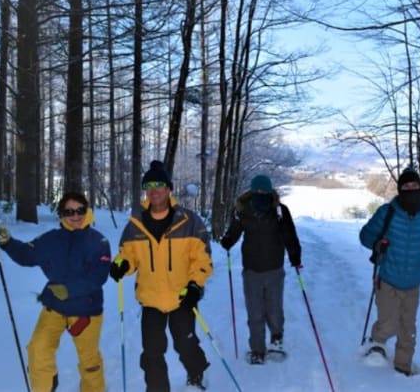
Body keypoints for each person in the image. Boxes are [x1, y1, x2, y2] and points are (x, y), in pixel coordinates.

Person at [109, 160, 213, 392]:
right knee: (152, 352)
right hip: (151, 298)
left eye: (159, 185)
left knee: (185, 343)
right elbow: (128, 256)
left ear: (168, 188)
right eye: (149, 185)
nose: (154, 190)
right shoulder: (135, 224)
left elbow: (203, 259)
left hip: (182, 296)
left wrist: (195, 285)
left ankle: (197, 373)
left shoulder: (189, 221)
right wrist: (121, 265)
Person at [0, 191, 111, 392]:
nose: (75, 216)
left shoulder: (98, 242)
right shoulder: (51, 239)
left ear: (87, 210)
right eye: (69, 211)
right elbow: (26, 255)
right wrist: (7, 242)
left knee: (89, 361)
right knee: (38, 350)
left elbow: (98, 276)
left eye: (80, 210)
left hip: (86, 310)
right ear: (61, 214)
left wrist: (69, 290)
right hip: (55, 307)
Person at [359, 167, 420, 376]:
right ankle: (377, 345)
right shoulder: (387, 212)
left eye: (415, 186)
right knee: (388, 322)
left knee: (408, 328)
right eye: (406, 186)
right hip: (388, 277)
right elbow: (365, 236)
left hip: (413, 281)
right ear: (400, 189)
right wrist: (377, 244)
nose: (411, 189)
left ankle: (403, 367)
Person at [220, 174, 302, 364]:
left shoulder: (280, 211)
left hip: (274, 267)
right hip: (251, 269)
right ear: (251, 190)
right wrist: (227, 241)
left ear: (270, 191)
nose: (260, 193)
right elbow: (234, 230)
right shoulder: (242, 210)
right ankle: (257, 348)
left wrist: (295, 256)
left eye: (264, 191)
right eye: (257, 190)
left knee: (274, 308)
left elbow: (290, 234)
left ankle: (276, 337)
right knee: (254, 311)